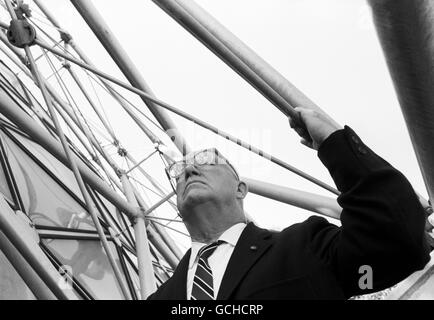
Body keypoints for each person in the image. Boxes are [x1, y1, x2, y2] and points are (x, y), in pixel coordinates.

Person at [148, 107, 430, 299]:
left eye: (207, 161)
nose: (188, 170)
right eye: (178, 172)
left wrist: (334, 142)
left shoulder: (303, 247)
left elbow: (395, 243)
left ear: (241, 189)